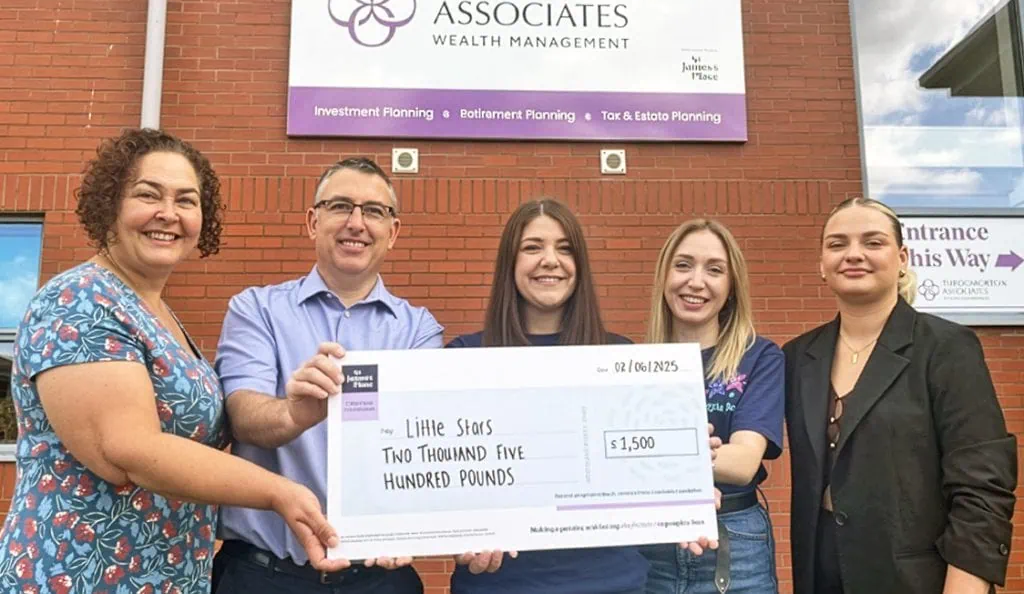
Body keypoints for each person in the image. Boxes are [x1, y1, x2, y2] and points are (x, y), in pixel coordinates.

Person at [0, 128, 343, 594]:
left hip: (163, 577)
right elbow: (129, 451)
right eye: (148, 194)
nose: (169, 213)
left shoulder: (158, 314)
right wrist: (279, 491)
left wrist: (294, 412)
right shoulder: (80, 300)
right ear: (110, 204)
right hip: (78, 573)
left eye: (186, 200)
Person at [212, 157, 442, 594]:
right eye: (340, 206)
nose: (356, 223)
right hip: (265, 577)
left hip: (380, 577)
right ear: (312, 222)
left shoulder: (419, 330)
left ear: (392, 232)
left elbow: (419, 438)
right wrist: (294, 413)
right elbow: (242, 417)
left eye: (373, 211)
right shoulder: (256, 310)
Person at [447, 197, 685, 594]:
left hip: (611, 583)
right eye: (532, 247)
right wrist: (456, 532)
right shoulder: (464, 358)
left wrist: (686, 471)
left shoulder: (621, 358)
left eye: (564, 248)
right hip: (498, 584)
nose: (550, 260)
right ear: (510, 263)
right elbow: (446, 482)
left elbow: (645, 465)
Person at [784, 197, 1017, 594]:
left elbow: (983, 482)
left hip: (919, 579)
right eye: (837, 244)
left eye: (873, 242)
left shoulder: (946, 347)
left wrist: (967, 583)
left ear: (902, 258)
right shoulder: (796, 357)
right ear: (822, 264)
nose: (853, 254)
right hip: (821, 575)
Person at [640, 219, 784, 594]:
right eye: (683, 265)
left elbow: (742, 462)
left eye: (714, 270)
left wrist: (650, 451)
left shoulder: (759, 357)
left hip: (735, 543)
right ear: (664, 276)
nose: (696, 281)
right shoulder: (634, 366)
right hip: (650, 542)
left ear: (731, 286)